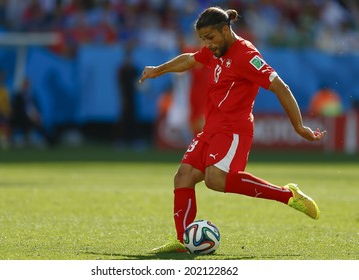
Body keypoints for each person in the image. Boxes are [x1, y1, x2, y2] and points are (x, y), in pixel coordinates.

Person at [139, 7, 326, 253]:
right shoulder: (215, 50)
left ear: (225, 30)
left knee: (215, 179)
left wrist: (299, 126)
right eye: (203, 39)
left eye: (211, 38)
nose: (208, 44)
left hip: (234, 130)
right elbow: (189, 59)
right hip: (211, 128)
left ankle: (288, 195)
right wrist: (158, 70)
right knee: (183, 176)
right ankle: (184, 241)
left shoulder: (246, 55)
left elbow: (281, 87)